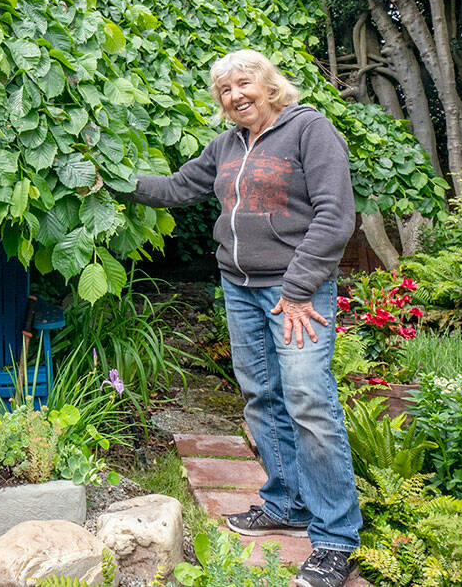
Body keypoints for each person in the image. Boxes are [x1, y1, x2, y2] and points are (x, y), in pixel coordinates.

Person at [127, 49, 362, 587]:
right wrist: (109, 181)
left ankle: (335, 538)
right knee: (262, 394)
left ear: (269, 83)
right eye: (224, 91)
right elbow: (177, 188)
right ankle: (285, 502)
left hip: (294, 292)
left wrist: (301, 288)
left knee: (308, 399)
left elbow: (335, 215)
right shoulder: (226, 146)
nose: (235, 96)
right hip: (240, 286)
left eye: (243, 83)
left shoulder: (311, 130)